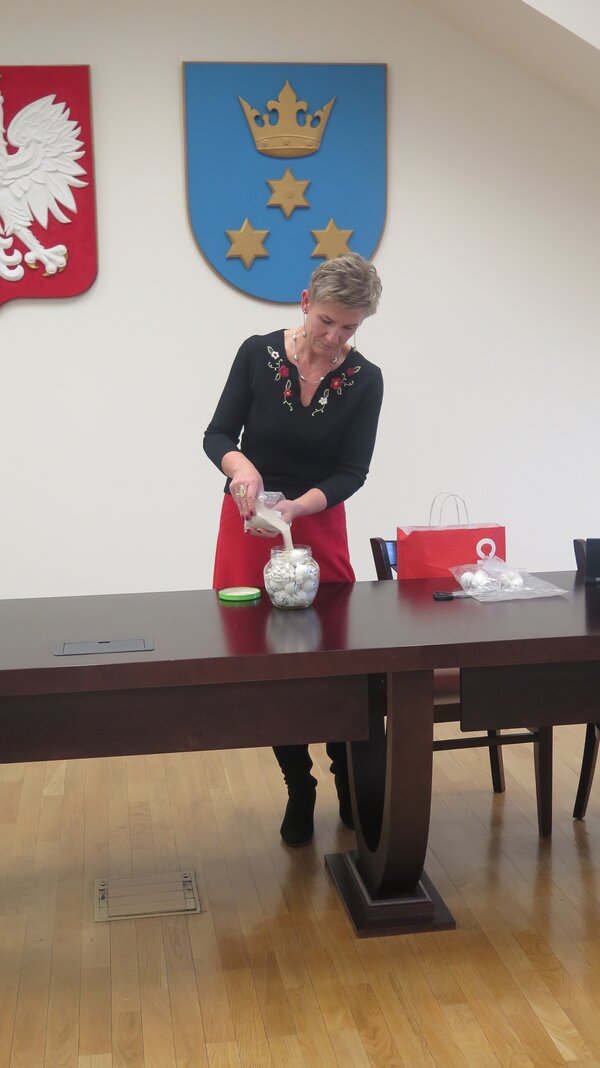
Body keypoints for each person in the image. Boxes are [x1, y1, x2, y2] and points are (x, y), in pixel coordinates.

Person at [203, 252, 383, 846]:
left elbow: (353, 471)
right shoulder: (257, 354)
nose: (334, 338)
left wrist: (300, 507)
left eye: (349, 328)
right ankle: (298, 783)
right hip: (251, 523)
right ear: (306, 303)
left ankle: (347, 777)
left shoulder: (366, 380)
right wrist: (241, 468)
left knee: (334, 657)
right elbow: (218, 434)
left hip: (316, 522)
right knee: (269, 664)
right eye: (327, 321)